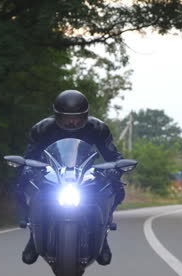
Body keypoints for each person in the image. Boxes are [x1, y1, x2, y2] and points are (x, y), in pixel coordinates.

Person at [15, 89, 125, 266]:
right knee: (22, 183)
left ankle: (103, 233)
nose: (72, 121)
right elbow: (30, 156)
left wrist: (116, 169)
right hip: (50, 175)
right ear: (57, 116)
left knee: (116, 187)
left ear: (85, 116)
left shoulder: (98, 128)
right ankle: (33, 234)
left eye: (77, 117)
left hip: (86, 176)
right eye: (67, 117)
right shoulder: (42, 129)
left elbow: (113, 156)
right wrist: (27, 168)